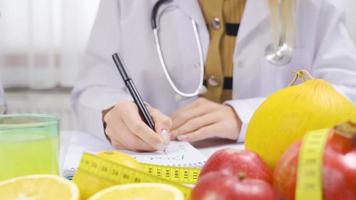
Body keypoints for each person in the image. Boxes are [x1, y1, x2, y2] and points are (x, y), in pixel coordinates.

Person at [71, 0, 356, 152]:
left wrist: (244, 117)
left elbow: (348, 94)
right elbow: (92, 88)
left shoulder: (316, 5)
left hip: (263, 174)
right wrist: (111, 114)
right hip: (158, 168)